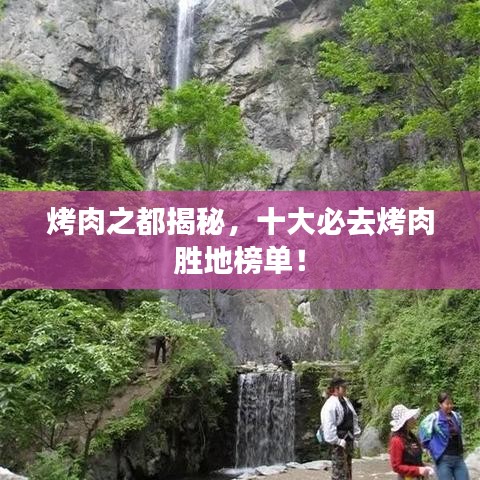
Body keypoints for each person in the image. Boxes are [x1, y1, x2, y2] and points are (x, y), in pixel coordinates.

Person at [419, 392, 470, 480]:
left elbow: (460, 432)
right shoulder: (434, 417)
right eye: (447, 404)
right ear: (440, 404)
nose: (450, 406)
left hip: (458, 458)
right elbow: (423, 432)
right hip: (443, 460)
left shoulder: (456, 416)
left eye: (451, 403)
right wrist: (432, 448)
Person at [320, 377, 361, 480]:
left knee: (348, 469)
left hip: (349, 439)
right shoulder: (330, 405)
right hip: (338, 443)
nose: (346, 389)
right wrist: (337, 441)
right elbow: (328, 425)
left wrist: (356, 436)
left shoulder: (345, 401)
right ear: (336, 388)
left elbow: (354, 418)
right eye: (343, 387)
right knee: (338, 471)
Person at [389, 404, 434, 479]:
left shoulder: (411, 437)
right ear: (405, 422)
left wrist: (424, 467)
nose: (414, 419)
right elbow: (396, 467)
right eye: (411, 418)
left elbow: (414, 461)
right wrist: (418, 470)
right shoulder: (396, 440)